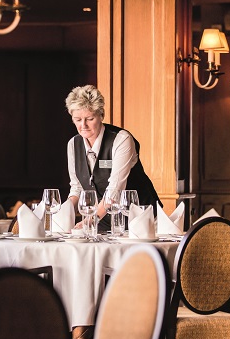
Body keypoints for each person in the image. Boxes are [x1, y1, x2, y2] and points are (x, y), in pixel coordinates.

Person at [65, 85, 161, 232]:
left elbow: (115, 190)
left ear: (101, 116)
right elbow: (77, 187)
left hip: (139, 221)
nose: (83, 125)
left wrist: (91, 220)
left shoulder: (121, 140)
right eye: (77, 119)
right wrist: (64, 211)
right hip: (104, 223)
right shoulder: (73, 144)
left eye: (89, 119)